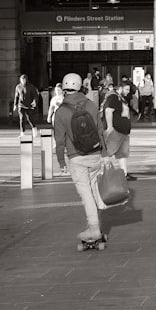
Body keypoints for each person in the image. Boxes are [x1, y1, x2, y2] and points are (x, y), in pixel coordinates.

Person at [53, 72, 105, 243]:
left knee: (86, 194)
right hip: (95, 154)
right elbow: (100, 130)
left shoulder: (60, 112)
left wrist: (61, 162)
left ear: (64, 88)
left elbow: (59, 141)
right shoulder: (91, 105)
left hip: (77, 157)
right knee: (93, 189)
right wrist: (103, 153)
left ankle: (94, 228)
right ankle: (95, 223)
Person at [102, 79, 136, 180]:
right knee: (108, 152)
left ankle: (124, 173)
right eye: (126, 89)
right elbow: (108, 111)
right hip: (116, 130)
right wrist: (110, 127)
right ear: (120, 88)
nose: (128, 91)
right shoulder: (114, 97)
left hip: (123, 131)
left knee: (122, 154)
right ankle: (106, 173)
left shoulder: (121, 98)